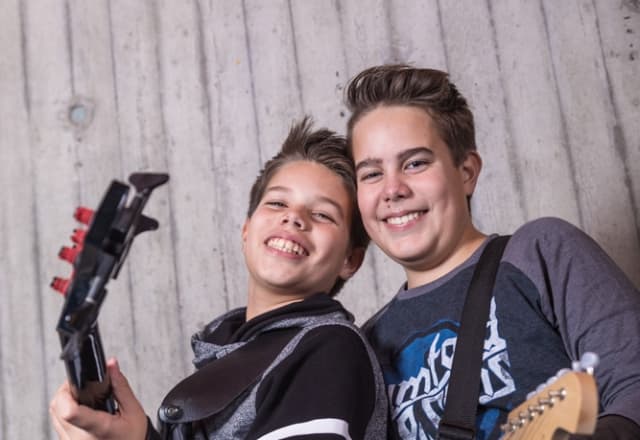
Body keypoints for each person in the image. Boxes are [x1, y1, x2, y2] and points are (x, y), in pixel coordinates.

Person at [344, 64, 640, 439]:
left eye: (415, 163)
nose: (392, 190)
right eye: (371, 174)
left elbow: (633, 383)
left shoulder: (539, 253)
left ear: (466, 171)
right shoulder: (365, 345)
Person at [49, 117, 388, 440]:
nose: (293, 218)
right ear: (246, 230)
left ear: (350, 260)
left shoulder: (328, 350)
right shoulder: (226, 352)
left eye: (322, 214)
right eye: (277, 203)